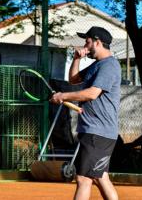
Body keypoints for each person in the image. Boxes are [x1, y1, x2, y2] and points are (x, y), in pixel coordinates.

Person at [50, 26, 120, 200]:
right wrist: (76, 59)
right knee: (100, 178)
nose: (85, 45)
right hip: (95, 131)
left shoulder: (109, 66)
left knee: (83, 178)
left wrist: (63, 95)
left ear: (97, 42)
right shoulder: (97, 65)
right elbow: (73, 79)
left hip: (98, 132)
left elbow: (92, 93)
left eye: (87, 41)